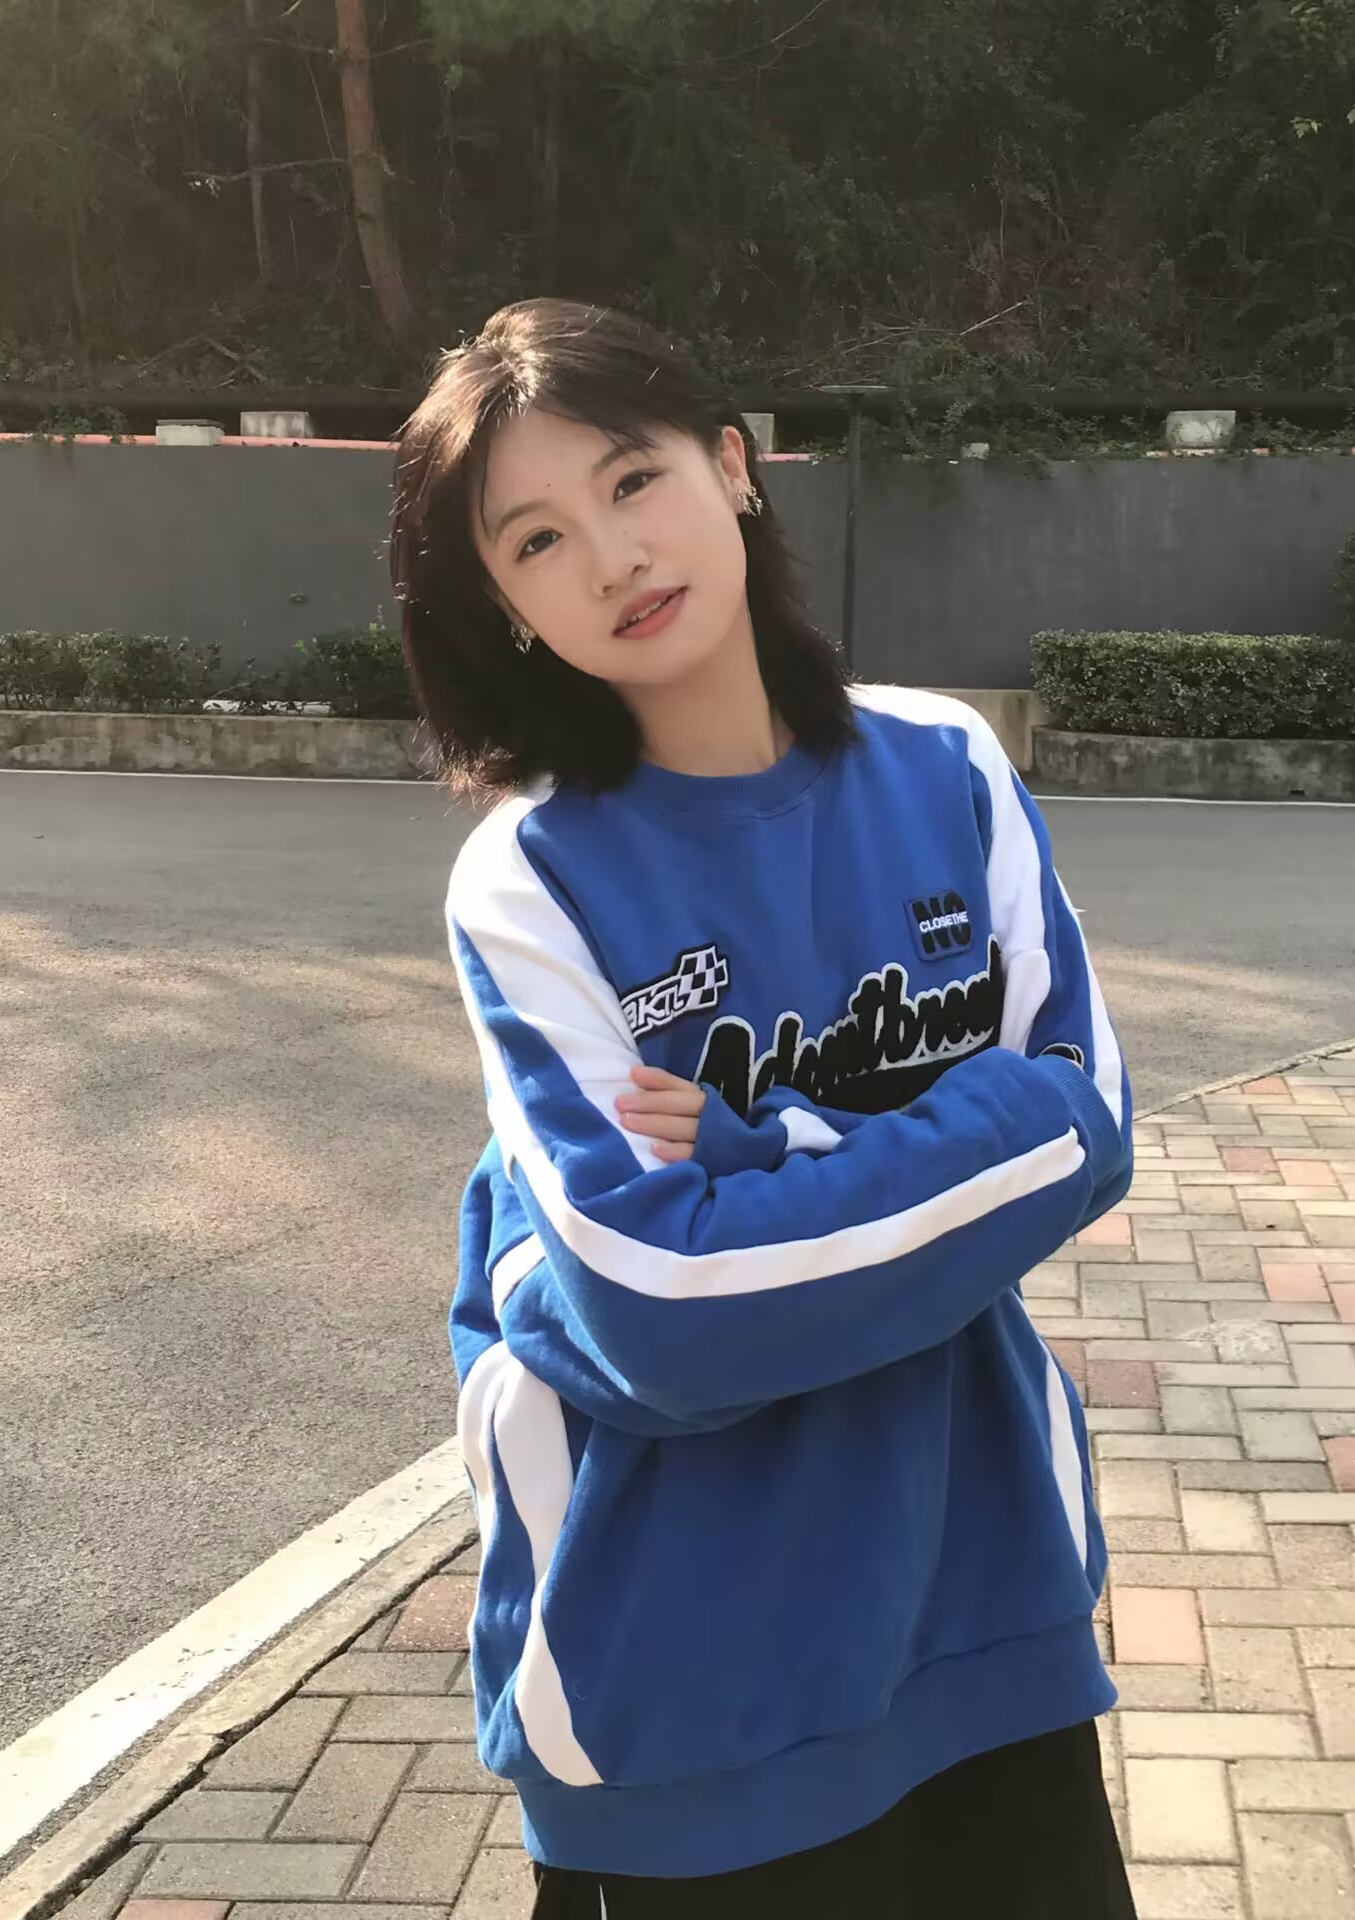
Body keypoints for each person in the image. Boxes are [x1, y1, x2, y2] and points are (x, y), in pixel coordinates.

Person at [390, 298, 1139, 1919]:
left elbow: (1091, 1129)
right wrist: (972, 1143)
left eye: (631, 480)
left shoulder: (948, 766)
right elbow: (666, 1310)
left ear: (732, 467)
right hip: (689, 1701)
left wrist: (767, 1158)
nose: (611, 557)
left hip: (990, 1618)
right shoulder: (532, 879)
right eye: (537, 539)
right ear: (507, 605)